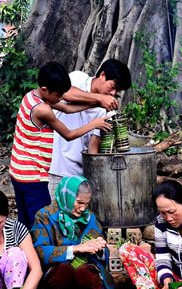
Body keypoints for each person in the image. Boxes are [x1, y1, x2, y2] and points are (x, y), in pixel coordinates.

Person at [9, 61, 112, 229]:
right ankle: (41, 254)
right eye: (58, 95)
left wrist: (96, 103)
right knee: (42, 224)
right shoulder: (43, 110)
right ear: (45, 90)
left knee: (25, 221)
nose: (61, 98)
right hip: (33, 176)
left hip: (17, 171)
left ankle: (24, 252)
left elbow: (67, 109)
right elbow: (69, 134)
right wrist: (94, 124)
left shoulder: (32, 96)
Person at [48, 59, 132, 200]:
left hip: (79, 176)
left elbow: (94, 147)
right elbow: (65, 93)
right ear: (102, 75)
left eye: (117, 91)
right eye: (113, 86)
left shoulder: (106, 110)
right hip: (55, 168)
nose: (112, 93)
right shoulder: (78, 78)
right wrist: (99, 98)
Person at [31, 176, 113, 289]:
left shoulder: (89, 217)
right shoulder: (44, 216)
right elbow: (39, 251)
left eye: (86, 204)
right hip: (56, 277)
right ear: (67, 197)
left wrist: (99, 248)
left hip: (83, 278)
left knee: (85, 272)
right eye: (79, 202)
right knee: (64, 270)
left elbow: (102, 251)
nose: (82, 208)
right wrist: (75, 249)